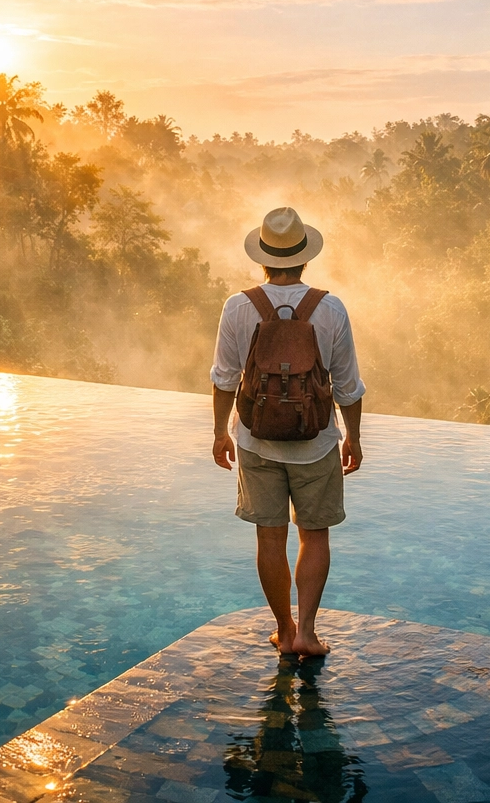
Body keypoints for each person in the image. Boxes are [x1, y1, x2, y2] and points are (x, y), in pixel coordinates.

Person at [210, 206, 365, 657]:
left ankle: (283, 628)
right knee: (314, 535)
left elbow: (224, 378)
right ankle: (308, 634)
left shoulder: (239, 306)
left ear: (262, 257)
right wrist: (352, 435)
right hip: (316, 442)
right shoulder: (329, 307)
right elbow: (348, 384)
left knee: (269, 536)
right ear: (303, 256)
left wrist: (220, 432)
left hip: (256, 440)